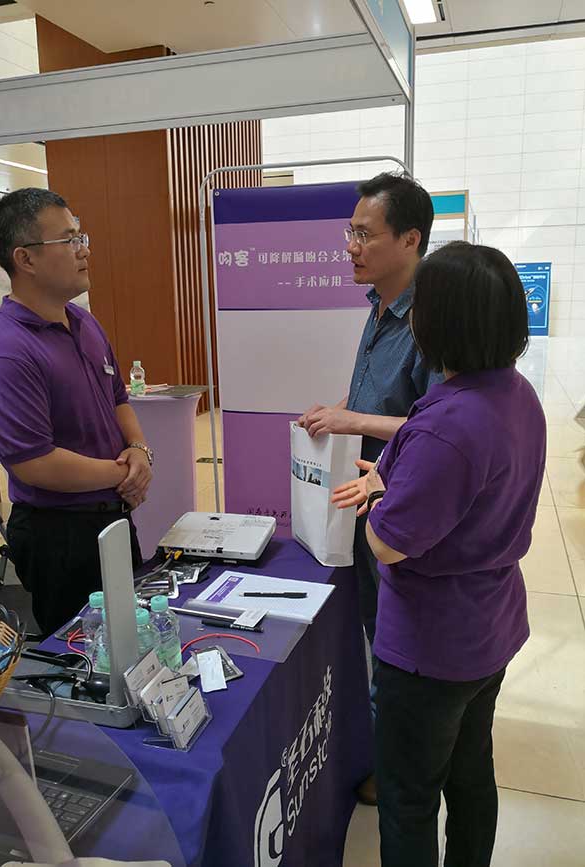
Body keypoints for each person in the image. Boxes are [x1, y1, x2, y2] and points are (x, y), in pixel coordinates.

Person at [332, 242, 546, 867]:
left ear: (437, 324)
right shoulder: (517, 395)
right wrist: (398, 481)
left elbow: (387, 543)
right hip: (492, 626)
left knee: (409, 798)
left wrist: (380, 492)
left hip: (432, 649)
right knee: (471, 771)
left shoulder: (445, 427)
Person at [298, 172, 442, 803]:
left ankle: (401, 770)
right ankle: (384, 748)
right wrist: (339, 410)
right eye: (349, 232)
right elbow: (379, 398)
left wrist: (353, 421)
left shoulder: (432, 319)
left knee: (398, 643)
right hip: (363, 497)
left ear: (410, 239)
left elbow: (440, 424)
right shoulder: (378, 305)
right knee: (373, 631)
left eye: (365, 234)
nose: (351, 246)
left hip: (399, 508)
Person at [0, 188, 153, 635]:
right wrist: (125, 474)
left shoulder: (83, 322)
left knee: (133, 636)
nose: (84, 249)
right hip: (59, 535)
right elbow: (36, 463)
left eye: (80, 236)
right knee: (83, 654)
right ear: (25, 259)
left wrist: (139, 450)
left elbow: (118, 398)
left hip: (112, 515)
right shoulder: (5, 353)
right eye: (69, 240)